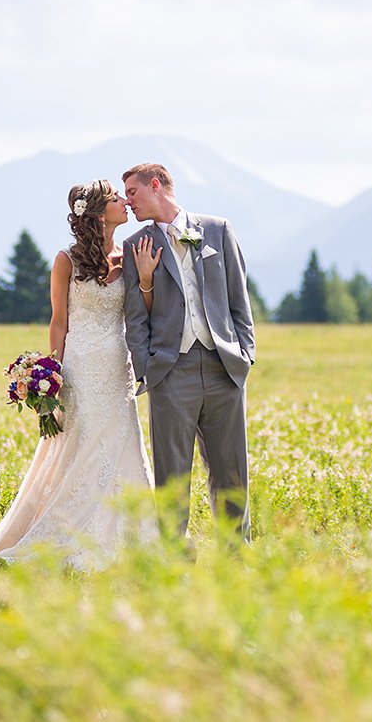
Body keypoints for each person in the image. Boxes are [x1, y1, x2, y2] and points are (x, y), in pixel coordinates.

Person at [0, 179, 160, 569]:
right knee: (85, 443)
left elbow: (142, 311)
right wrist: (52, 375)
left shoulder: (129, 254)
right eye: (116, 199)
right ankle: (72, 533)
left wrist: (145, 280)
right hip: (81, 366)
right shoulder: (66, 260)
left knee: (123, 443)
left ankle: (132, 532)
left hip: (118, 365)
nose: (124, 203)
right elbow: (58, 322)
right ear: (97, 212)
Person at [121, 163, 256, 543]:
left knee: (231, 472)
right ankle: (174, 560)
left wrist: (244, 355)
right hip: (170, 371)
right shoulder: (135, 246)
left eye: (132, 192)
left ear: (156, 185)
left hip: (223, 368)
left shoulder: (217, 230)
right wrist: (148, 367)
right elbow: (135, 317)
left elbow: (239, 301)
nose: (128, 202)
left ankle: (236, 558)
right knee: (172, 476)